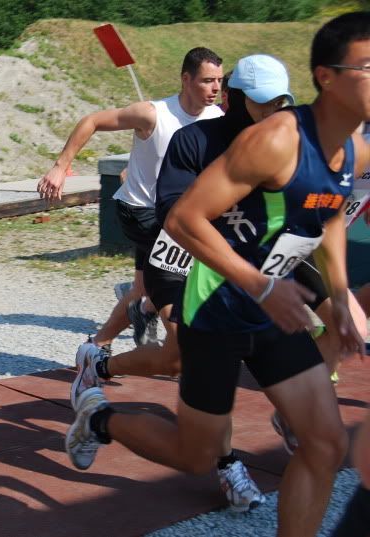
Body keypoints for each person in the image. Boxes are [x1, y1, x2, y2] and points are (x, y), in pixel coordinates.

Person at [66, 12, 369, 537]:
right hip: (220, 304)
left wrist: (340, 296)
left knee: (325, 445)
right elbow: (182, 219)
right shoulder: (273, 141)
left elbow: (333, 211)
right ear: (327, 76)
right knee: (195, 452)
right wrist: (260, 285)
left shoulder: (354, 147)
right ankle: (98, 417)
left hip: (275, 307)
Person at [72, 54, 298, 512]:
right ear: (238, 98)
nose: (273, 111)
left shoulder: (279, 142)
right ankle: (228, 465)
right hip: (174, 260)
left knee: (177, 361)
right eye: (262, 102)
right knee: (203, 355)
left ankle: (99, 369)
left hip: (229, 271)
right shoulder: (192, 137)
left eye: (280, 102)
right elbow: (175, 213)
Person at [38, 47, 224, 350]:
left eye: (218, 80)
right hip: (141, 211)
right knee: (175, 278)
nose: (215, 88)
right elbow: (92, 120)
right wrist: (61, 167)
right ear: (186, 79)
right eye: (207, 80)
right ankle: (171, 335)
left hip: (176, 215)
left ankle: (101, 342)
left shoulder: (216, 116)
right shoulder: (152, 114)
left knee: (144, 287)